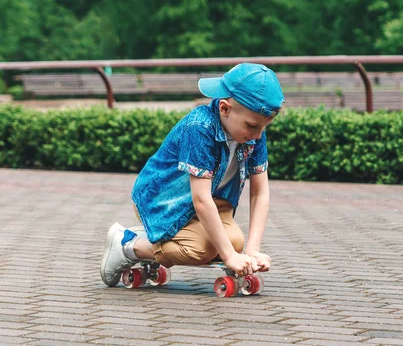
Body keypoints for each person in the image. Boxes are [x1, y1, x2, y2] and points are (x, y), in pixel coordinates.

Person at [100, 63, 285, 287]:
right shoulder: (200, 128)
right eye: (252, 126)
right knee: (200, 250)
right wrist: (228, 258)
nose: (257, 135)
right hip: (164, 203)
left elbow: (260, 192)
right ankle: (127, 244)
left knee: (235, 242)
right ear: (225, 109)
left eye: (263, 128)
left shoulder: (254, 133)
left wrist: (252, 250)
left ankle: (151, 237)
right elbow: (200, 199)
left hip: (211, 203)